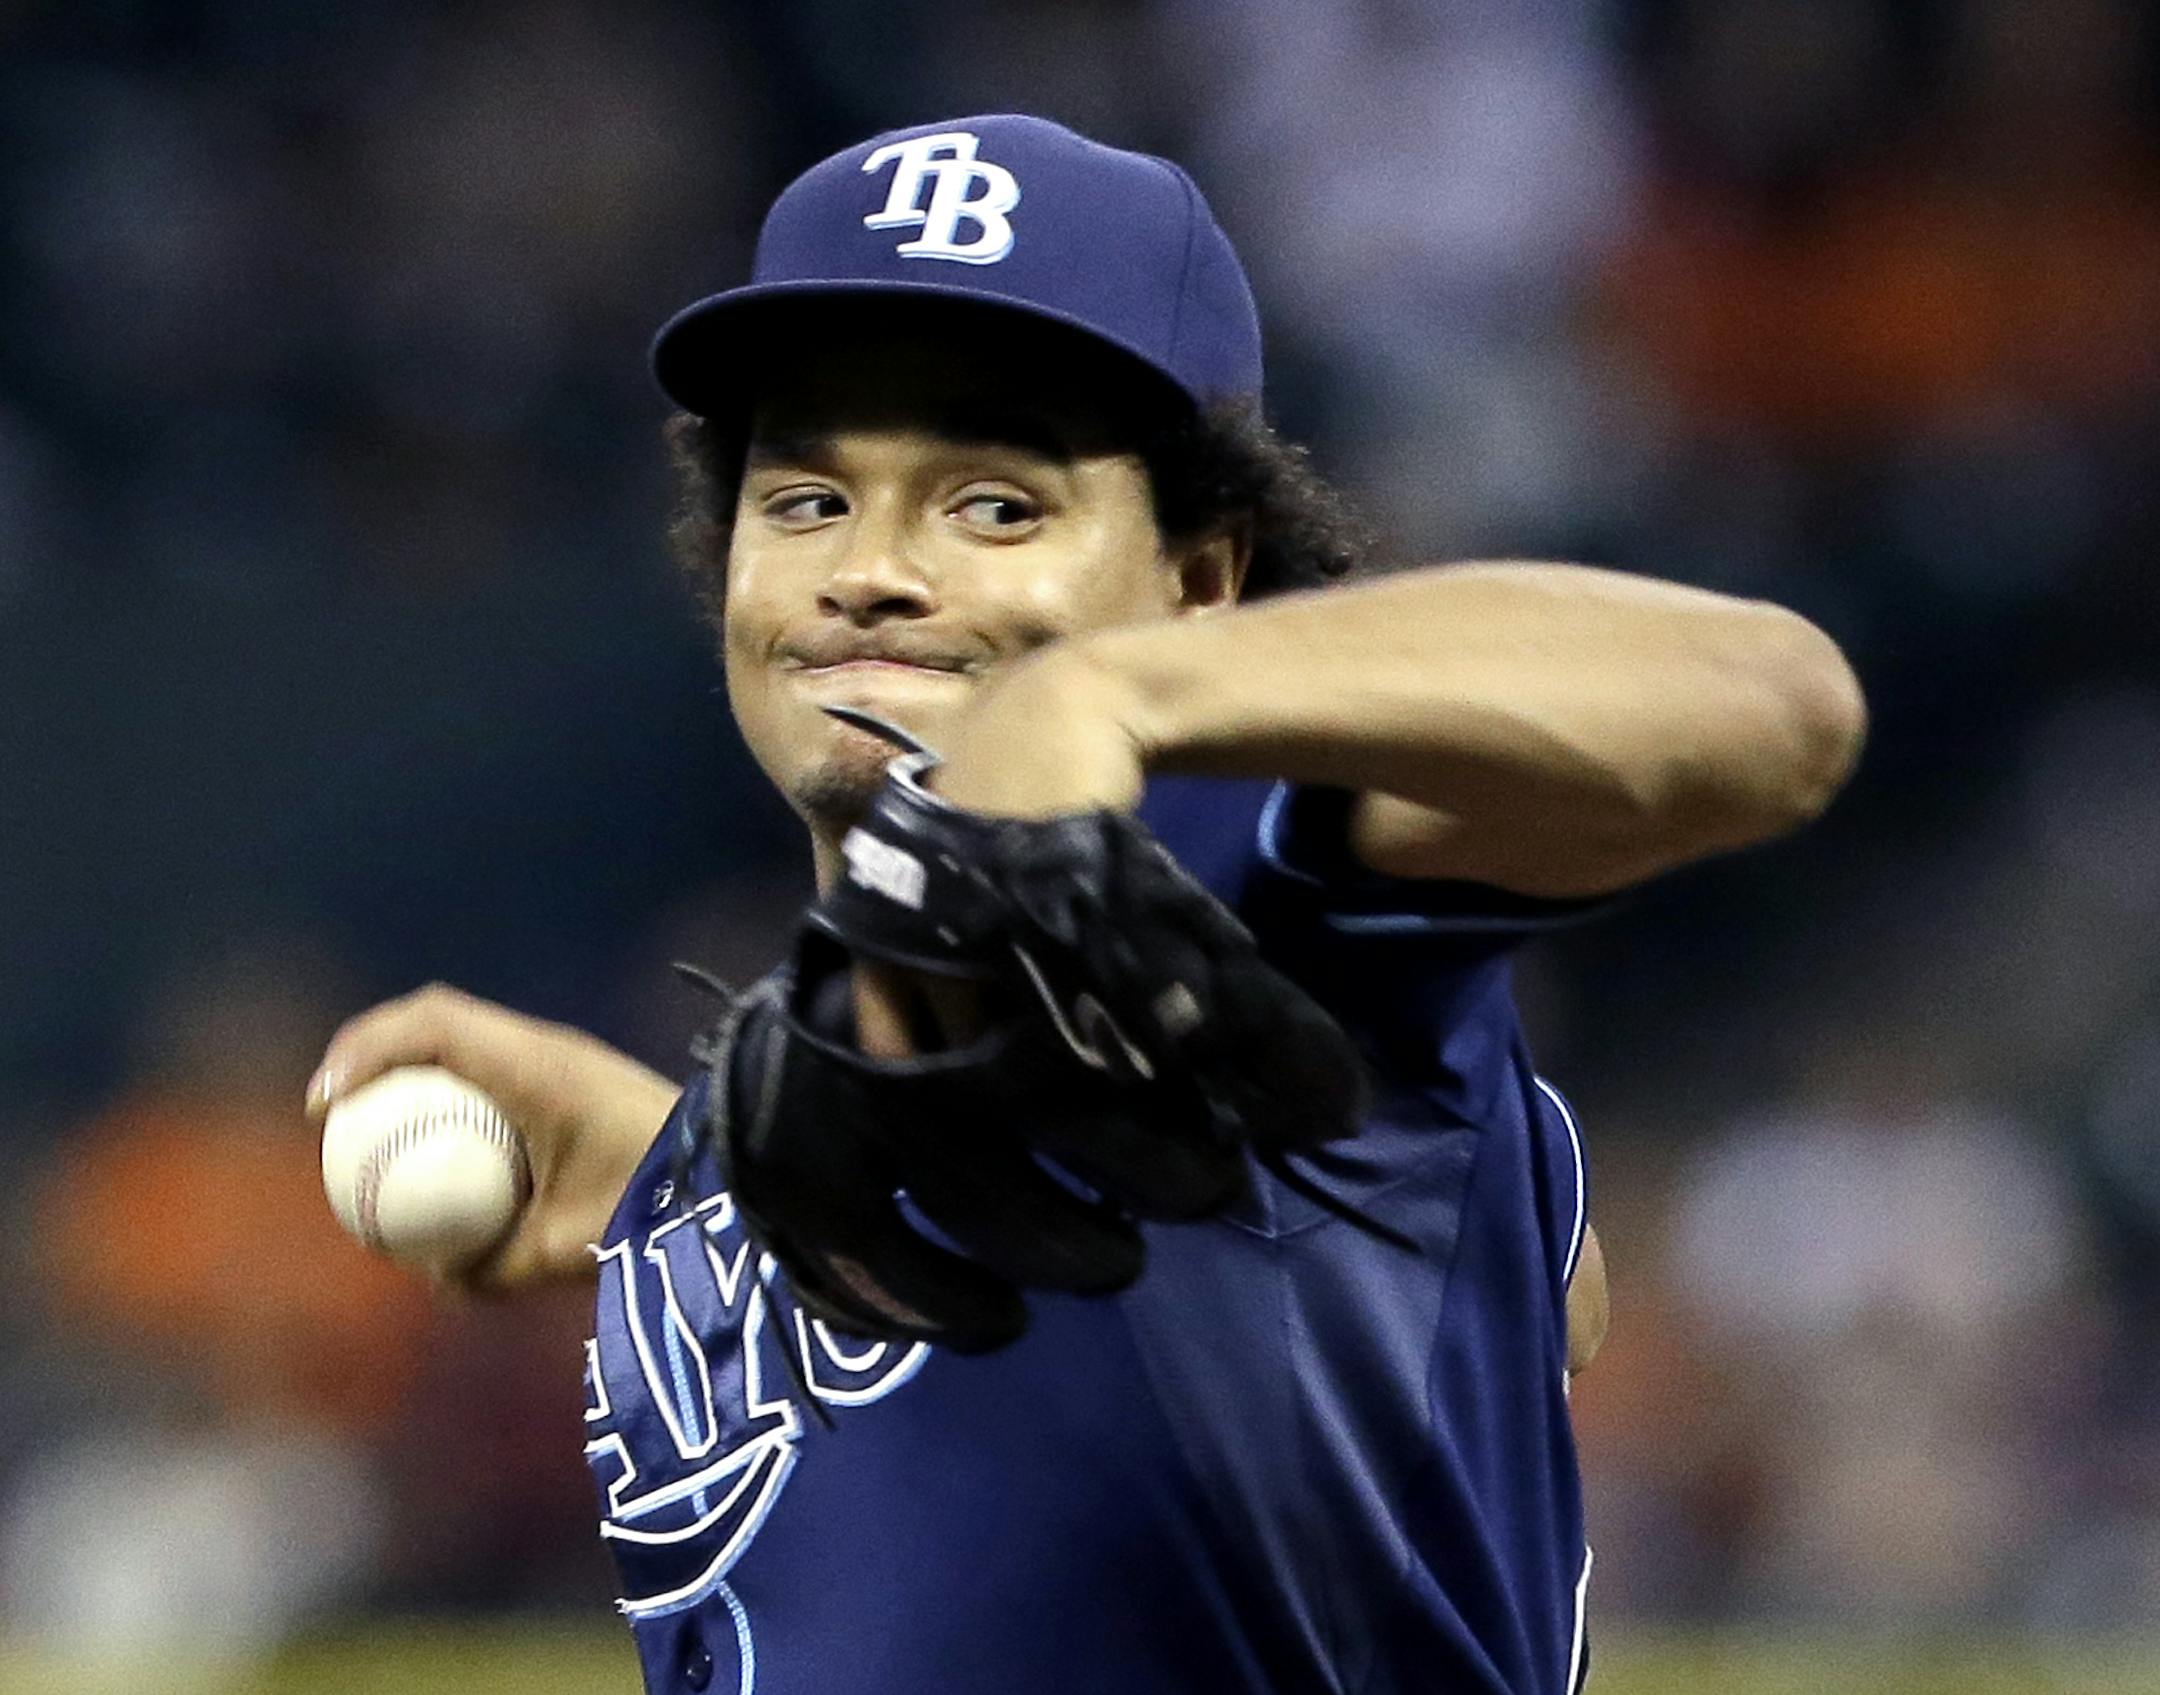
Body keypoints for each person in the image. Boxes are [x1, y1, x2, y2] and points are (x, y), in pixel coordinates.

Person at [307, 115, 1864, 1694]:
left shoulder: (1227, 880)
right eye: (806, 502)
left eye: (994, 505)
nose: (871, 571)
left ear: (1198, 578)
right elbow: (1490, 1293)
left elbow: (1770, 701)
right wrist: (681, 1168)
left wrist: (1115, 700)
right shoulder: (816, 1075)